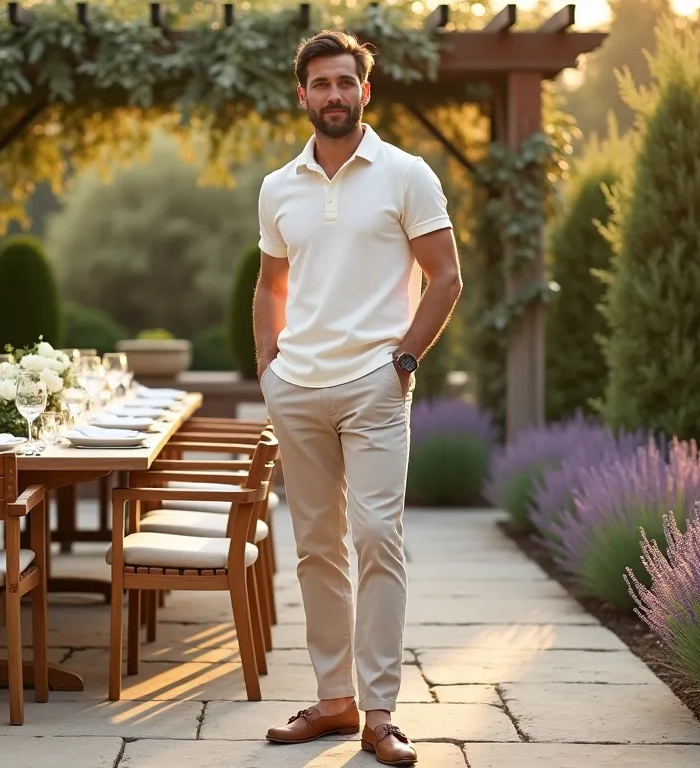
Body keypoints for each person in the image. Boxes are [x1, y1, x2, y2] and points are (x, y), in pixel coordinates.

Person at [253, 28, 462, 767]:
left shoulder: (407, 175)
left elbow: (446, 278)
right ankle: (334, 699)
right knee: (315, 549)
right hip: (298, 391)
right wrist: (267, 371)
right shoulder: (278, 186)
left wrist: (401, 361)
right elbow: (270, 285)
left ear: (365, 91)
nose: (334, 95)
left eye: (346, 82)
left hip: (375, 386)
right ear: (302, 94)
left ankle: (381, 714)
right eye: (321, 84)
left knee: (377, 539)